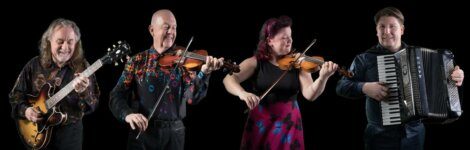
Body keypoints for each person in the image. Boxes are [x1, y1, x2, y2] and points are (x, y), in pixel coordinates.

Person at [336, 7, 465, 150]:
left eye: (392, 26)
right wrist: (364, 87)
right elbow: (341, 86)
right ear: (376, 31)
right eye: (382, 27)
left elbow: (445, 82)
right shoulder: (364, 59)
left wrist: (455, 78)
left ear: (402, 30)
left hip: (414, 134)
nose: (387, 32)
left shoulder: (419, 57)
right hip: (379, 136)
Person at [109, 9, 224, 150]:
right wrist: (128, 115)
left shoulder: (184, 63)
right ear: (152, 30)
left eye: (174, 27)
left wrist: (204, 73)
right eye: (166, 27)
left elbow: (192, 98)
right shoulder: (137, 61)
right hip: (142, 133)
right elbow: (116, 95)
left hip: (174, 135)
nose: (171, 31)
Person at [223, 15, 338, 150]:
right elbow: (229, 79)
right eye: (284, 37)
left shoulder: (298, 62)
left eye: (290, 36)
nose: (290, 41)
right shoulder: (256, 62)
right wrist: (242, 93)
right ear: (270, 40)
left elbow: (309, 94)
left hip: (289, 123)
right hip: (261, 123)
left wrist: (323, 78)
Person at [9, 18, 100, 150]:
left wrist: (83, 92)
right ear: (49, 41)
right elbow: (15, 95)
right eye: (60, 41)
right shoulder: (33, 65)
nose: (65, 47)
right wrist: (26, 110)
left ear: (76, 44)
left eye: (70, 42)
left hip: (69, 137)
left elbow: (93, 105)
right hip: (36, 132)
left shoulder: (83, 67)